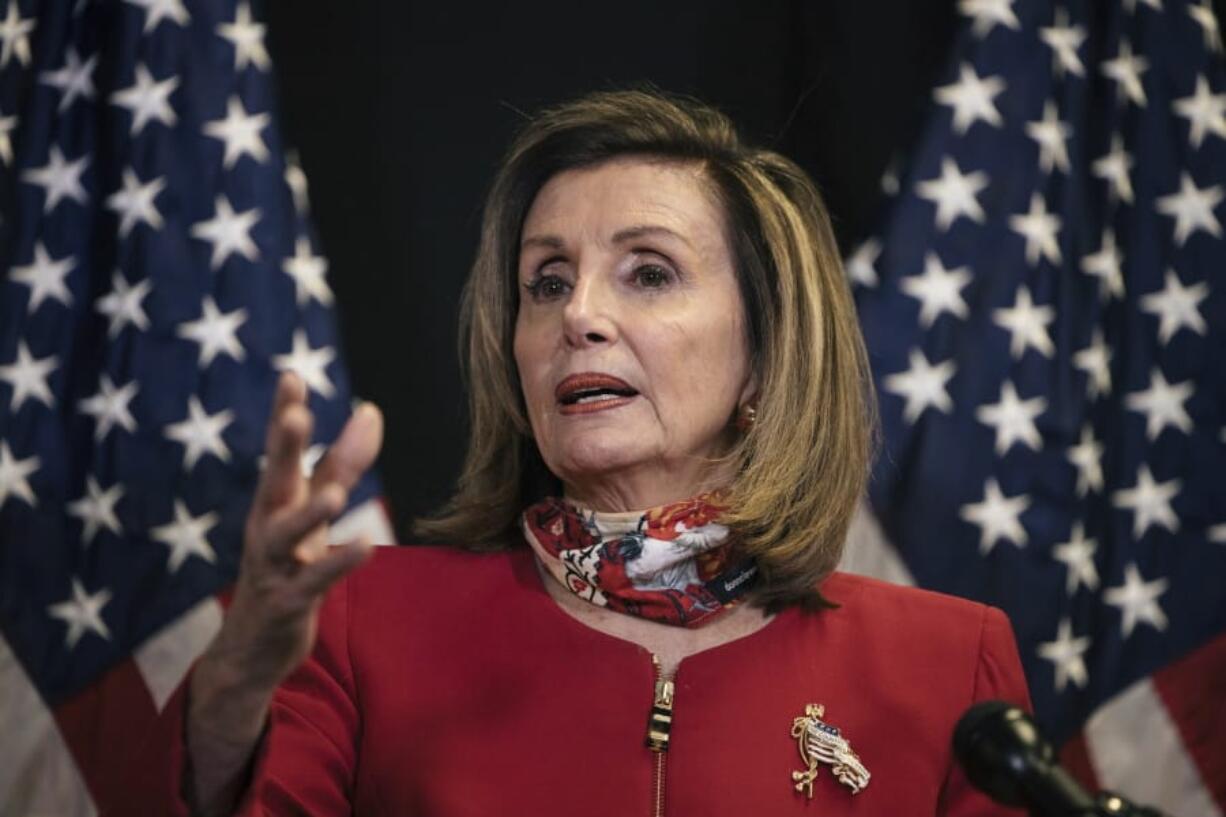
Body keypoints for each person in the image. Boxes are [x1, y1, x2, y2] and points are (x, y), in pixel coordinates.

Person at [128, 89, 1029, 816]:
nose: (578, 316)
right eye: (546, 282)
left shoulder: (948, 665)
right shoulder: (363, 621)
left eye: (649, 272)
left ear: (765, 354)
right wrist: (240, 676)